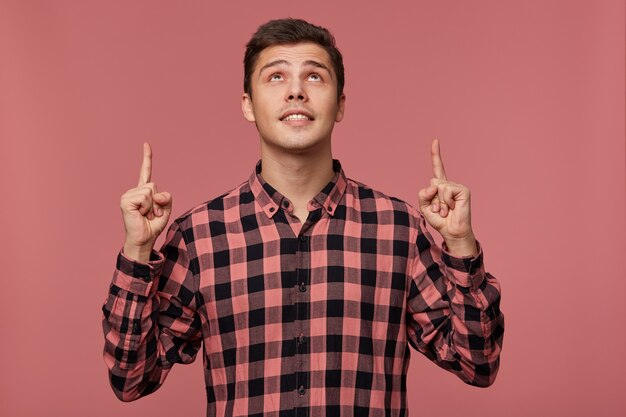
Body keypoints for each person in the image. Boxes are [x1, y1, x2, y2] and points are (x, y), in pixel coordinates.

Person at [102, 18, 504, 417]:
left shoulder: (397, 228)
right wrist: (137, 251)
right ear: (247, 104)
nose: (295, 91)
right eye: (276, 77)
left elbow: (478, 364)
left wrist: (460, 244)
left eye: (314, 77)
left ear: (340, 103)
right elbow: (131, 378)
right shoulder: (200, 235)